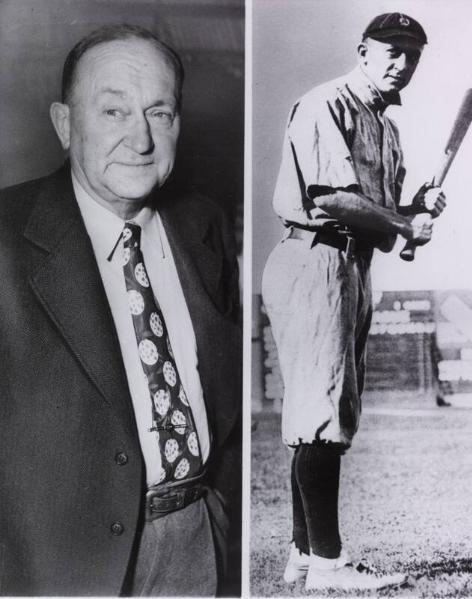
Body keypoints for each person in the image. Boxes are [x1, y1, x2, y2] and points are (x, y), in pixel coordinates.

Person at [0, 24, 241, 596]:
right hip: (56, 567)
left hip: (199, 541)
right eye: (114, 112)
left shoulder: (202, 225)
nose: (141, 140)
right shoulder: (7, 237)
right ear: (64, 124)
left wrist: (219, 517)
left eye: (160, 113)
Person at [262, 12, 446, 592]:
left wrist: (416, 212)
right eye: (390, 51)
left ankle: (301, 553)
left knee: (324, 410)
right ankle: (329, 565)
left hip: (351, 265)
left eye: (411, 55)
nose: (401, 63)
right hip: (314, 254)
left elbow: (385, 220)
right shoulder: (327, 103)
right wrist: (401, 222)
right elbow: (332, 198)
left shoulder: (386, 129)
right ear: (362, 51)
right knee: (321, 414)